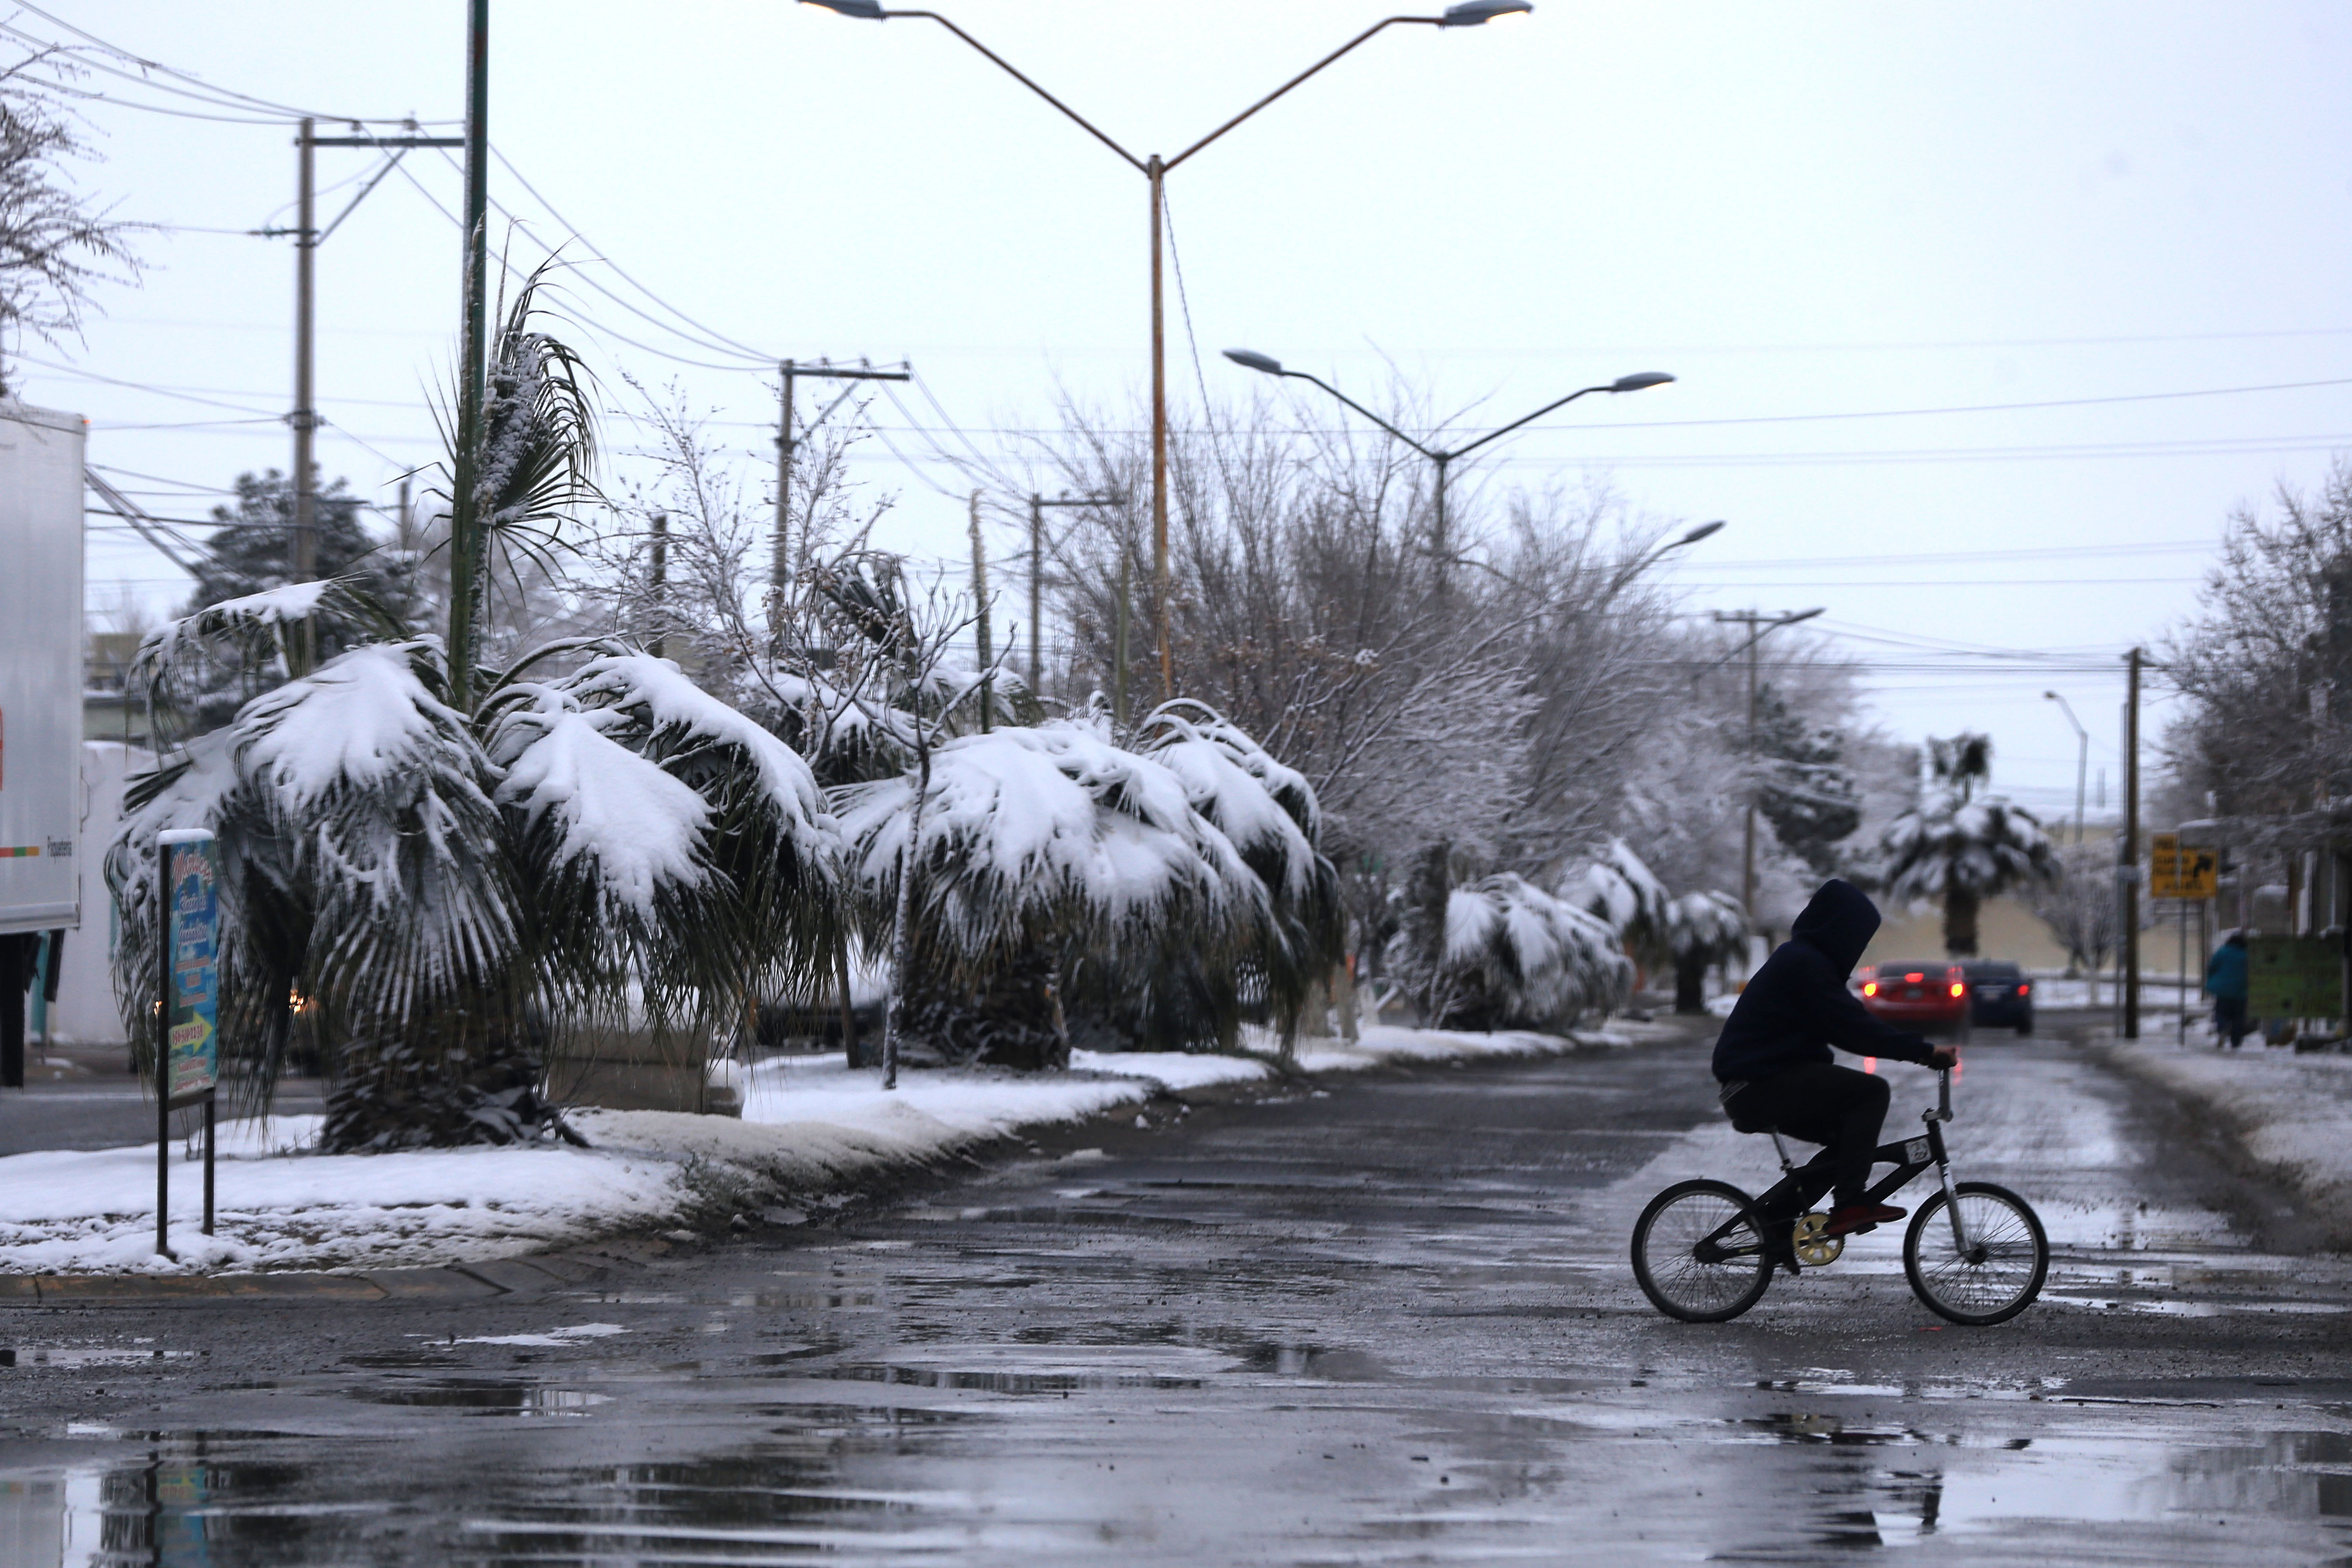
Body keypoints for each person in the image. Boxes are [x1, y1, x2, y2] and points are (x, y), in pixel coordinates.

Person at [1712, 879, 1959, 1239]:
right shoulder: (1803, 963)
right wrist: (1923, 1052)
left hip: (1760, 1081)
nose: (1857, 947)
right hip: (1755, 1082)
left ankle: (1775, 1226)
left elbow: (1845, 1023)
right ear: (1838, 929)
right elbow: (1852, 1027)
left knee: (1848, 1142)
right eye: (1856, 936)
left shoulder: (1808, 963)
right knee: (1871, 1092)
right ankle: (1850, 1204)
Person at [2204, 930, 2250, 1049]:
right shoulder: (2246, 955)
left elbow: (2211, 967)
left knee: (2221, 1013)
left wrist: (2212, 981)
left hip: (2223, 990)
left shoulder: (2222, 952)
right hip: (2240, 991)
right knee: (2238, 1017)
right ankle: (2235, 1042)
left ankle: (2222, 1028)